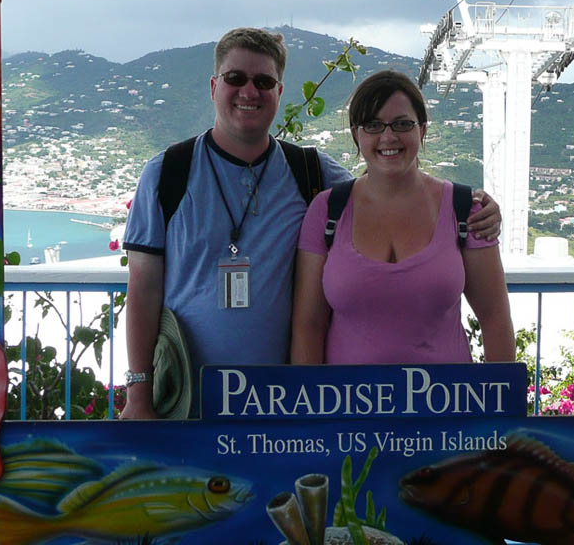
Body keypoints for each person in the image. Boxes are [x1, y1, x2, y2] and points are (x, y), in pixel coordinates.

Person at [120, 29, 501, 419]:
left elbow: (386, 183)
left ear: (279, 92)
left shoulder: (311, 174)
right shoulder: (168, 174)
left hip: (281, 402)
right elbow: (143, 288)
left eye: (263, 82)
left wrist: (478, 204)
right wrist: (138, 392)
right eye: (236, 78)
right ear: (215, 86)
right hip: (188, 398)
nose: (249, 91)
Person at [291, 70, 515, 365]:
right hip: (347, 405)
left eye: (402, 124)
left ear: (421, 130)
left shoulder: (466, 210)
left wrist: (499, 405)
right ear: (356, 133)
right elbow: (309, 325)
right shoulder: (327, 211)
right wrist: (312, 404)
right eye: (373, 125)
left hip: (448, 404)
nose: (388, 136)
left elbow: (494, 317)